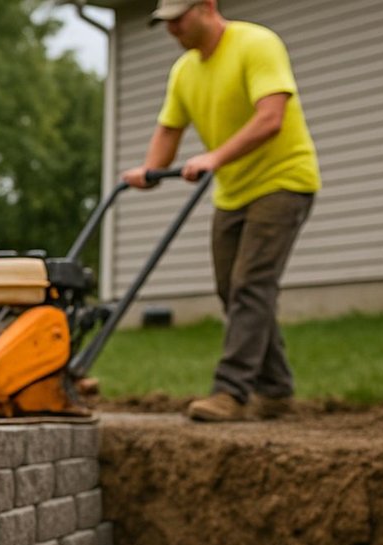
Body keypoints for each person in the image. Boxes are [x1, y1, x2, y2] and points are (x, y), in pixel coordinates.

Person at [122, 0, 320, 422]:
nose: (172, 30)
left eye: (179, 19)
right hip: (233, 191)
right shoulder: (185, 71)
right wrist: (150, 170)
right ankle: (278, 390)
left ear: (207, 7)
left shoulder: (256, 44)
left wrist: (214, 158)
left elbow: (271, 119)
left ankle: (231, 392)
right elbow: (169, 129)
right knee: (233, 289)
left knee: (251, 284)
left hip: (283, 180)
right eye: (167, 23)